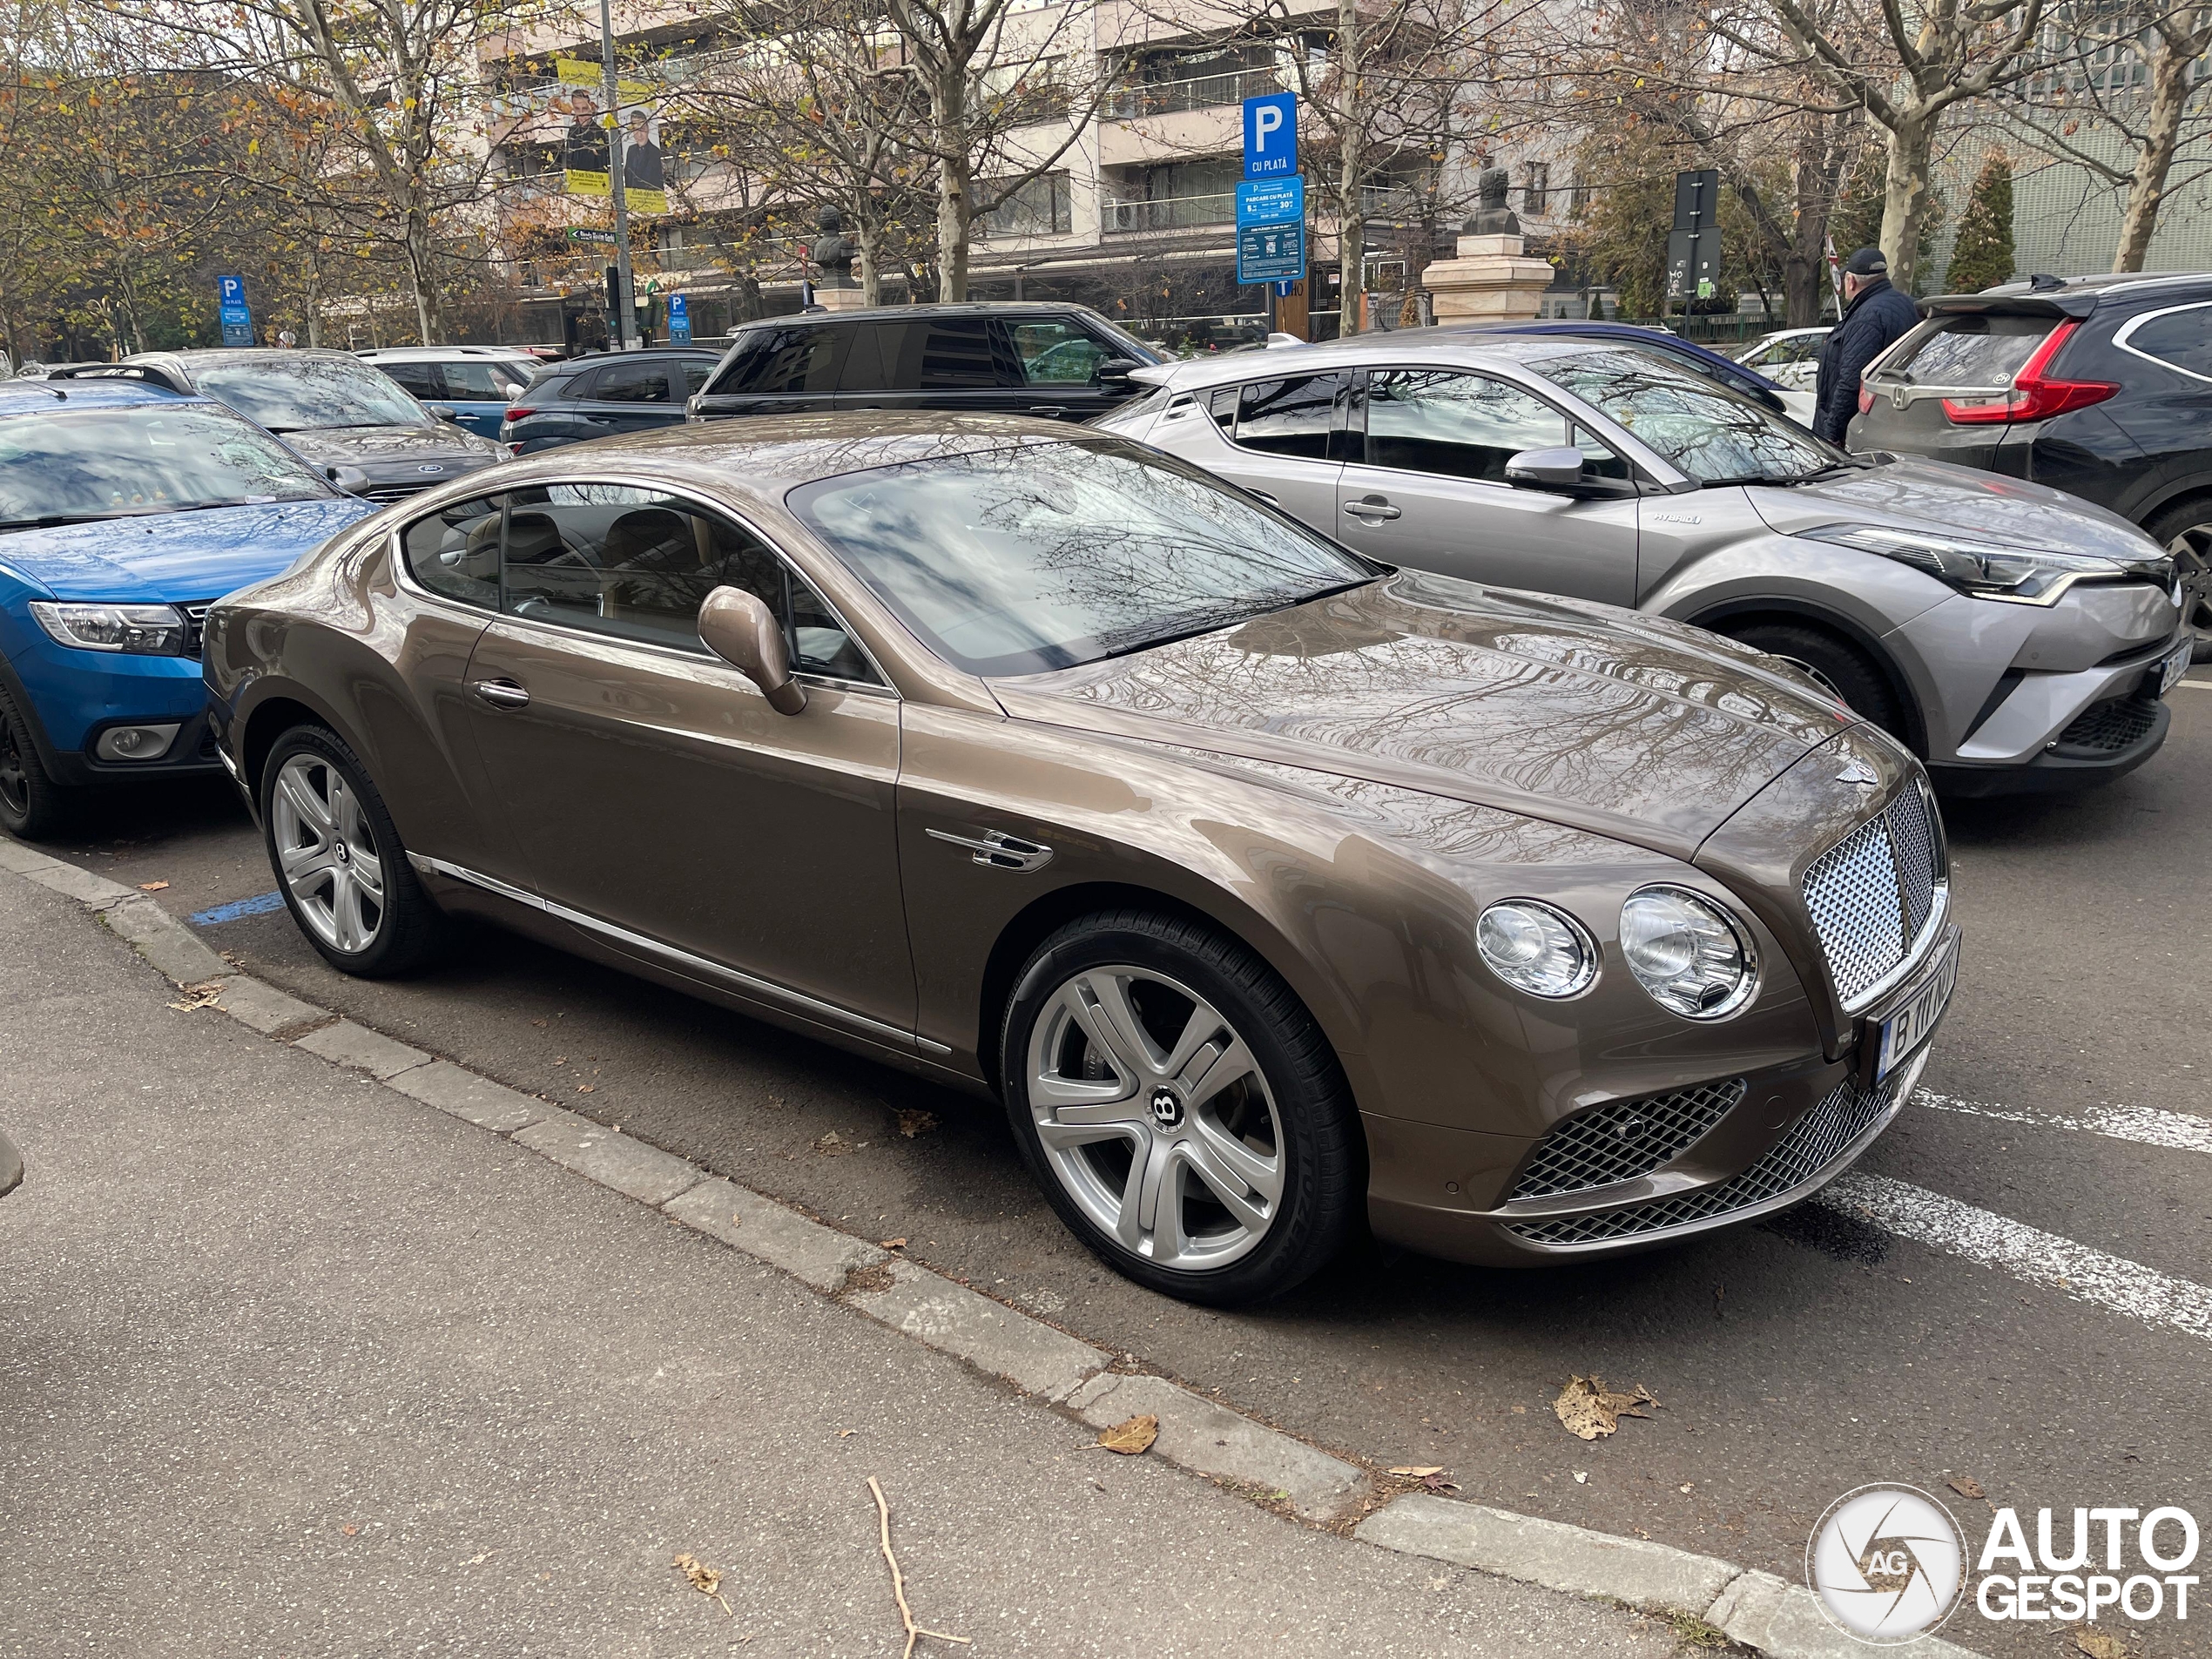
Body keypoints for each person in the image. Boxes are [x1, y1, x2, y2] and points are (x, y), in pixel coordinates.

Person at [1812, 246, 1921, 444]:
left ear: (1851, 281)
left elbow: (1851, 382)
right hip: (1896, 420)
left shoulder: (1866, 317)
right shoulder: (1910, 305)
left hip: (1861, 429)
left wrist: (1831, 434)